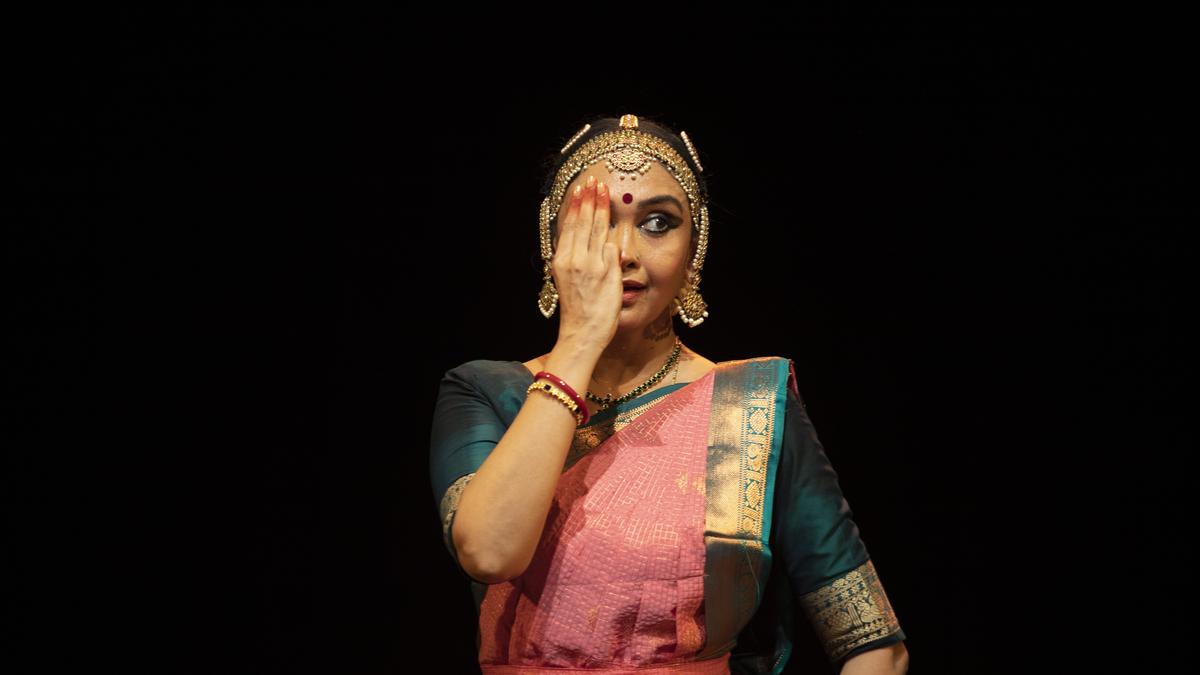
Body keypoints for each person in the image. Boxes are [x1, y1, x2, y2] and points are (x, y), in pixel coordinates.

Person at [429, 114, 909, 674]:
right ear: (551, 241)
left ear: (695, 249)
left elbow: (875, 644)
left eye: (658, 223)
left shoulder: (749, 403)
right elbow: (490, 551)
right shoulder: (485, 391)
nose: (624, 252)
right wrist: (580, 342)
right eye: (596, 222)